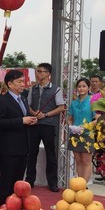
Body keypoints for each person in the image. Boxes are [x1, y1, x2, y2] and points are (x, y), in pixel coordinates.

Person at [0, 70, 37, 206]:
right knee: (6, 180)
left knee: (18, 181)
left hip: (23, 147)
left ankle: (15, 206)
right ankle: (3, 206)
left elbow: (22, 118)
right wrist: (21, 121)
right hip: (8, 148)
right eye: (19, 82)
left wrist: (30, 120)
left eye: (23, 81)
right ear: (10, 84)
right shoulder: (3, 100)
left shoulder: (23, 99)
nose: (22, 84)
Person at [26, 63, 65, 192]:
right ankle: (29, 180)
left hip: (49, 125)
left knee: (50, 154)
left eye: (41, 71)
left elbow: (61, 107)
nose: (38, 74)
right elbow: (29, 105)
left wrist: (46, 115)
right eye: (37, 71)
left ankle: (52, 182)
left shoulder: (56, 89)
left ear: (48, 74)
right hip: (34, 124)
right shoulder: (33, 89)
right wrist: (33, 113)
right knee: (32, 153)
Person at [68, 78, 94, 182]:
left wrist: (85, 127)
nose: (81, 88)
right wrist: (71, 126)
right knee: (78, 161)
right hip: (75, 134)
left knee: (86, 161)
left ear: (89, 88)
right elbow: (69, 118)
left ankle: (84, 185)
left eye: (84, 86)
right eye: (79, 86)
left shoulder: (92, 101)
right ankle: (79, 184)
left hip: (87, 134)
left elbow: (97, 119)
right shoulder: (74, 103)